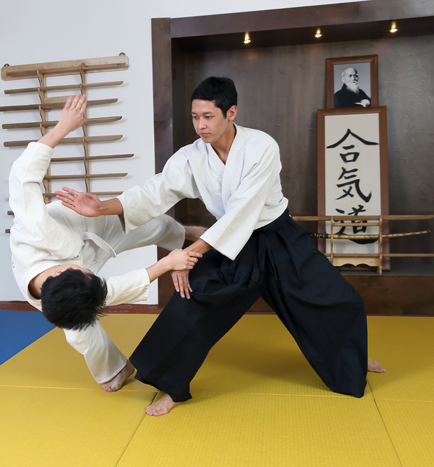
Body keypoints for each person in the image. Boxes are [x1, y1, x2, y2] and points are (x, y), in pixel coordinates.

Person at [57, 77, 385, 415]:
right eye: (195, 117)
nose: (200, 125)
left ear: (231, 112)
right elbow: (153, 193)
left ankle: (352, 360)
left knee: (338, 300)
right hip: (230, 246)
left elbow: (243, 211)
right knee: (190, 302)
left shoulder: (261, 147)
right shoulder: (191, 157)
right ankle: (171, 387)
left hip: (276, 236)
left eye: (208, 116)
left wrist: (189, 253)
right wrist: (101, 207)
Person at [9, 94, 202, 392]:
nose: (93, 274)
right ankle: (116, 368)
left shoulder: (38, 229)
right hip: (75, 263)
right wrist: (166, 265)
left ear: (61, 271)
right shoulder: (59, 300)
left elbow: (22, 177)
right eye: (90, 276)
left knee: (154, 226)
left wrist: (62, 127)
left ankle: (186, 231)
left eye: (87, 275)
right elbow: (108, 292)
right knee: (79, 331)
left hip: (86, 226)